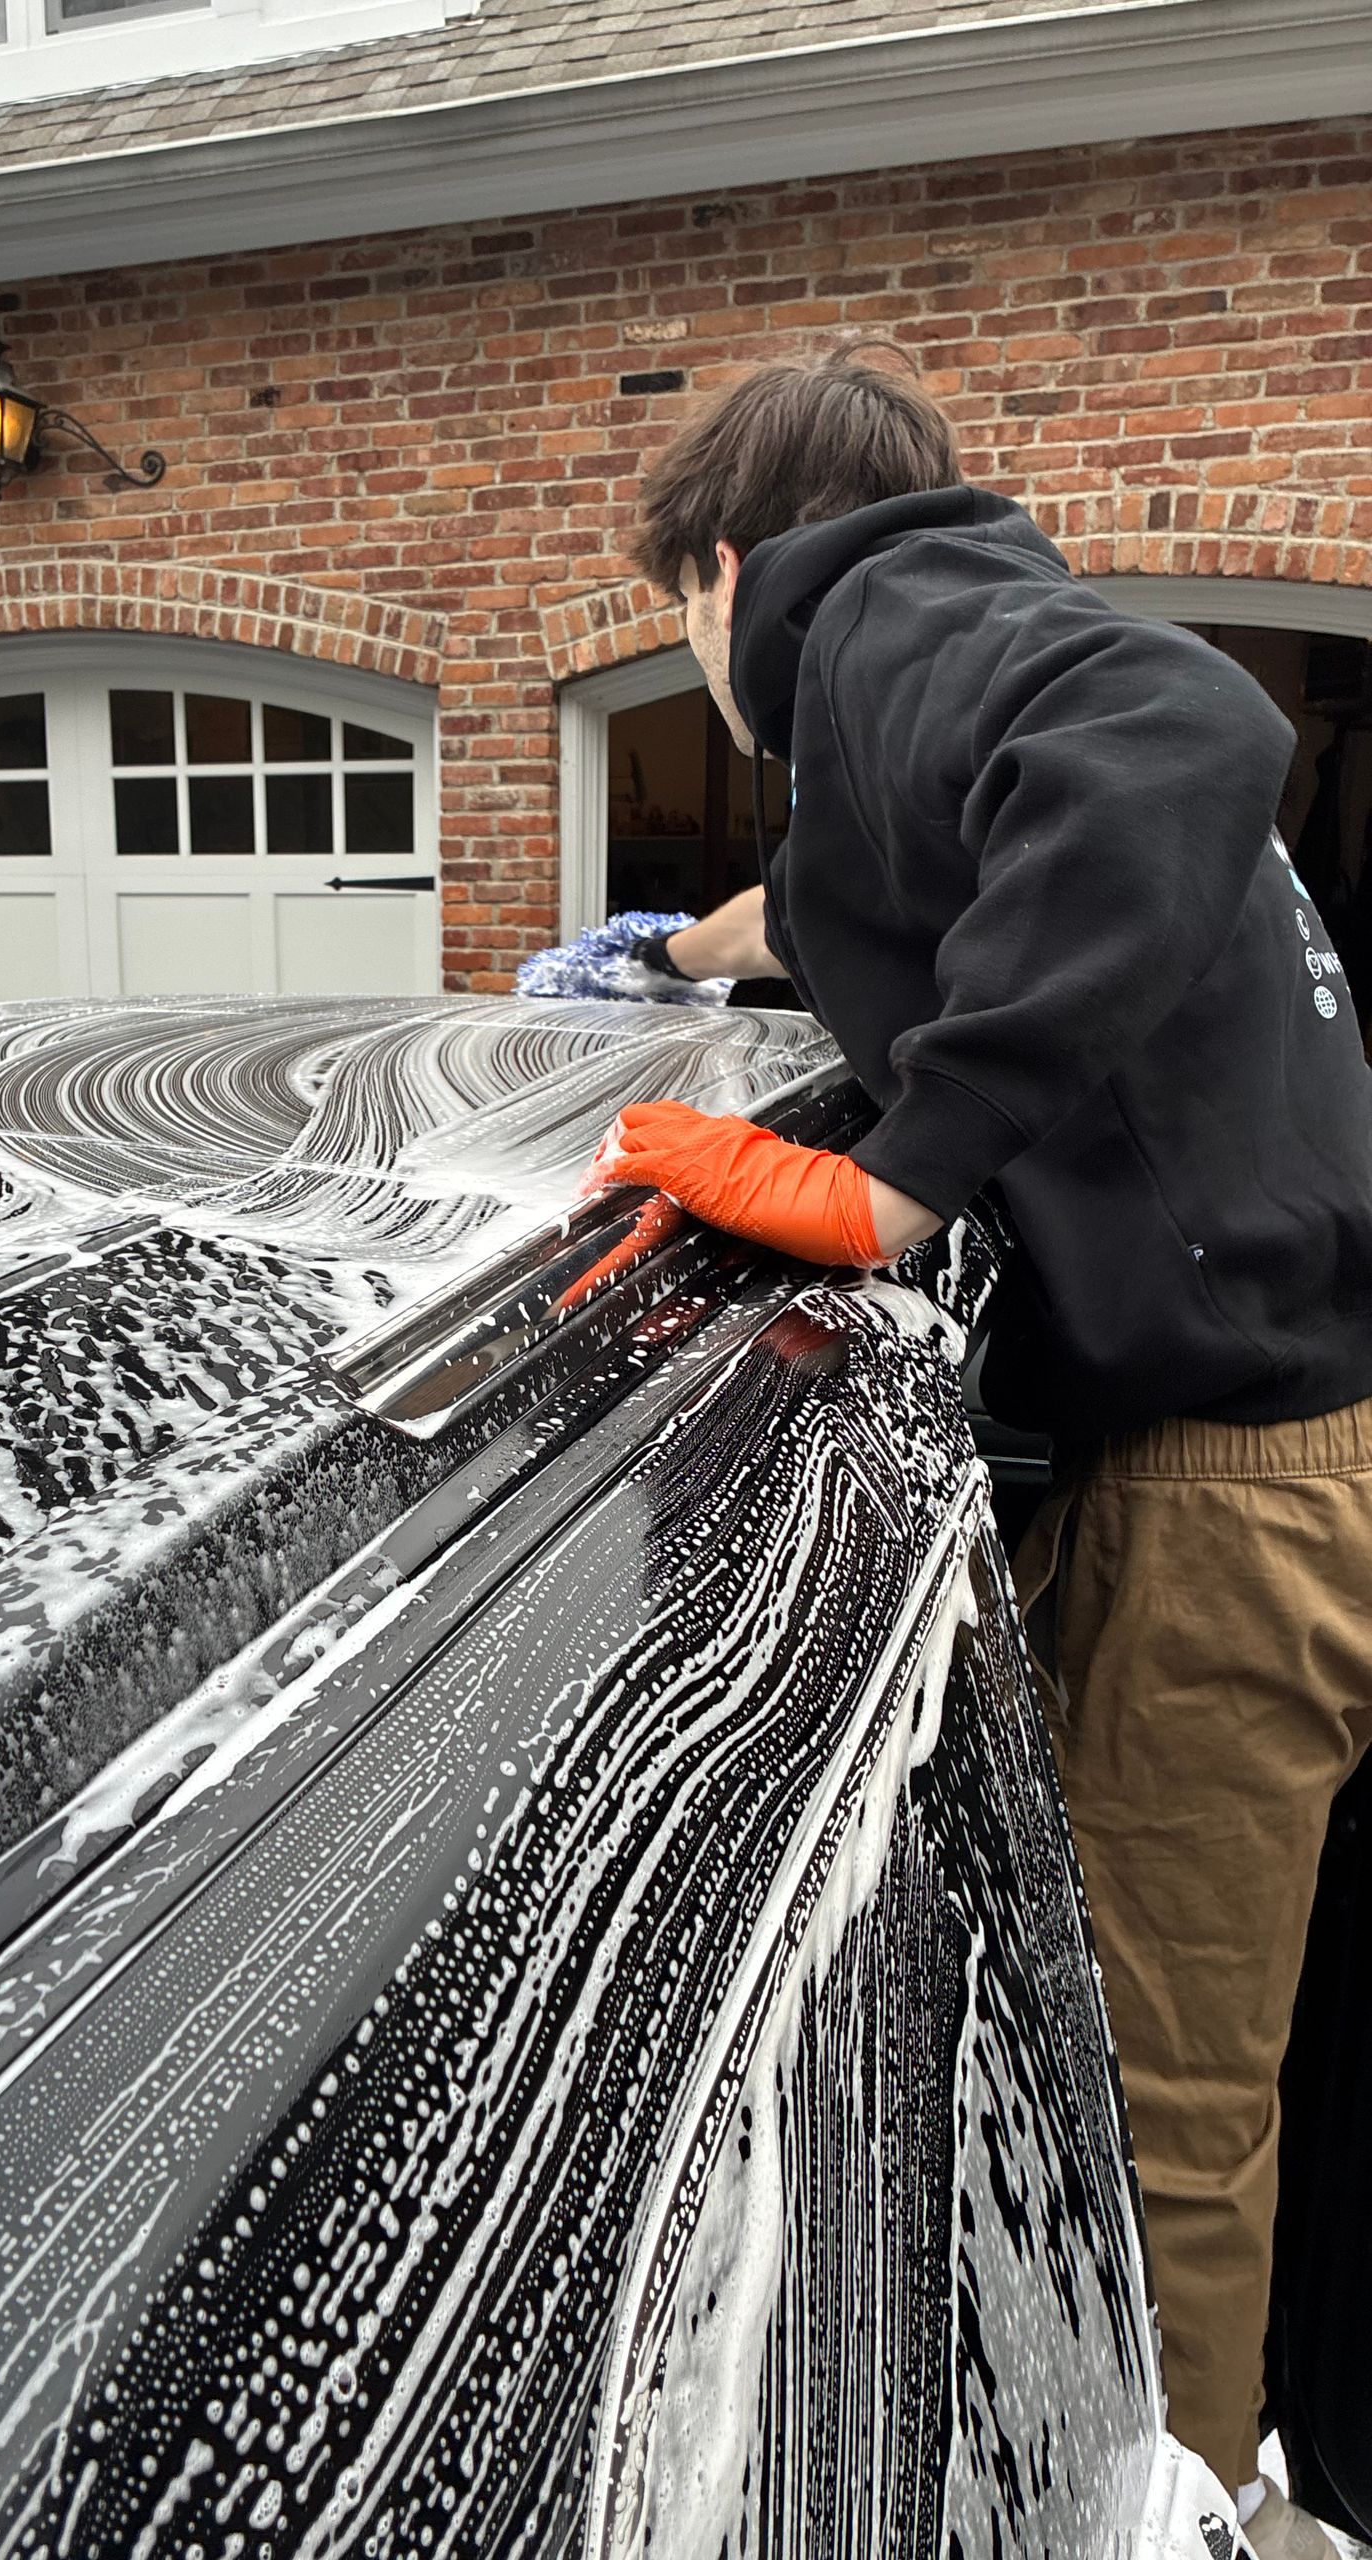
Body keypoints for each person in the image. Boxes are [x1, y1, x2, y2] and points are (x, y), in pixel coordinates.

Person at [564, 348, 1372, 2559]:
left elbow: (1186, 736)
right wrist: (685, 956)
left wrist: (891, 1180)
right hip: (1262, 1456)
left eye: (679, 628)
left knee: (1157, 2107)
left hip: (1244, 1485)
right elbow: (858, 886)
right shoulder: (952, 651)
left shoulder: (893, 635)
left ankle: (1167, 2509)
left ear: (729, 572)